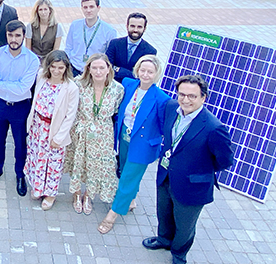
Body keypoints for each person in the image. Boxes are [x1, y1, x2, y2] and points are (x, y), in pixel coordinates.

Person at [142, 74, 233, 264]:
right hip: (166, 175)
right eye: (182, 94)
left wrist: (199, 170)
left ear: (203, 98)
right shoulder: (170, 108)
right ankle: (164, 239)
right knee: (163, 212)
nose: (185, 99)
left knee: (185, 226)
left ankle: (179, 257)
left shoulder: (213, 127)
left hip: (192, 186)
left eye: (192, 96)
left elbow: (225, 160)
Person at [98, 55, 169, 234]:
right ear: (137, 70)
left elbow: (163, 126)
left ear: (156, 74)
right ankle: (130, 200)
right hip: (124, 136)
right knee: (123, 170)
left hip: (143, 144)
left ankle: (113, 214)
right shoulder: (129, 84)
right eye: (143, 70)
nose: (145, 74)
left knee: (129, 178)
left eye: (150, 72)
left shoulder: (162, 99)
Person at [63, 53, 124, 215]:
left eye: (101, 68)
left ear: (108, 69)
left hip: (103, 134)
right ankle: (76, 194)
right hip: (81, 130)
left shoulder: (117, 89)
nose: (98, 72)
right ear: (88, 69)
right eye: (94, 68)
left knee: (96, 166)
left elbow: (116, 109)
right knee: (78, 163)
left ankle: (88, 195)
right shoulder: (78, 84)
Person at [0, 20, 40, 196]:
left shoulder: (32, 60)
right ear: (6, 35)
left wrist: (0, 83)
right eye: (10, 35)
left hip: (21, 108)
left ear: (24, 36)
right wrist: (8, 85)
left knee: (20, 145)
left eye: (18, 35)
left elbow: (24, 88)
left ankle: (20, 174)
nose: (14, 39)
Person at [24, 51, 79, 211]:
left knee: (53, 163)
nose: (56, 71)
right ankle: (38, 187)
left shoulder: (71, 88)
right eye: (53, 67)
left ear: (66, 68)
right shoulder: (41, 76)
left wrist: (59, 137)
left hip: (54, 130)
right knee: (37, 158)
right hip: (37, 127)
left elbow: (70, 116)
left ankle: (50, 194)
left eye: (60, 68)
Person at [64, 0, 117, 77]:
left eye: (91, 7)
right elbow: (68, 47)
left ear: (98, 8)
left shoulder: (109, 31)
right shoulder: (75, 25)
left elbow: (109, 56)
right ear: (82, 9)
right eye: (85, 7)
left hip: (95, 72)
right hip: (74, 68)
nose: (88, 10)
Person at [106, 12, 157, 83]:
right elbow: (107, 67)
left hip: (133, 88)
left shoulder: (150, 51)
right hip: (112, 84)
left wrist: (119, 70)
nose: (135, 30)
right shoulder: (115, 44)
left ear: (144, 29)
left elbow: (143, 76)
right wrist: (132, 73)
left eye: (139, 27)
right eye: (132, 26)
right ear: (127, 26)